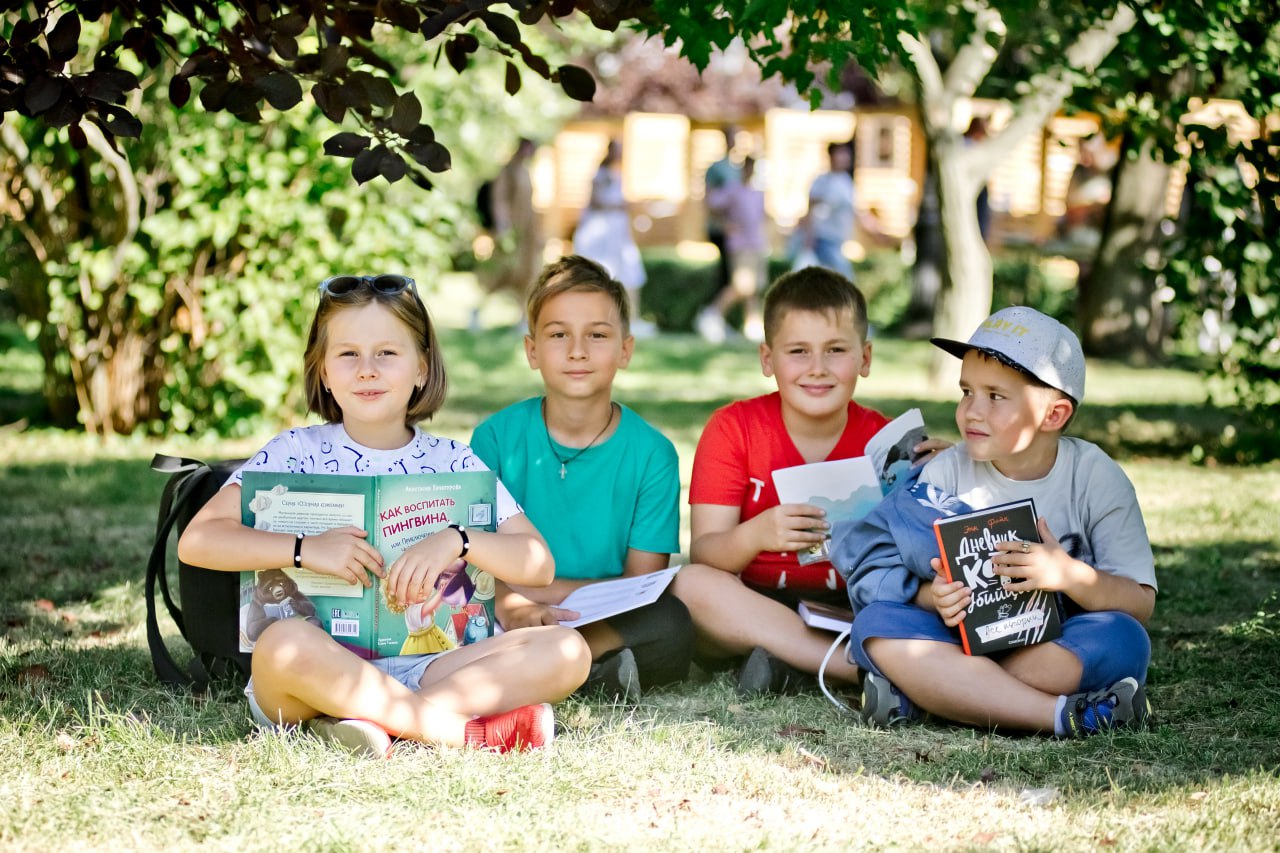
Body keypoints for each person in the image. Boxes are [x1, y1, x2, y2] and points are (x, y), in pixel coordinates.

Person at [179, 273, 591, 757]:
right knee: (281, 642)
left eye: (387, 354)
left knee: (567, 650)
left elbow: (537, 563)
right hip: (315, 667)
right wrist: (305, 549)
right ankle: (461, 734)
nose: (367, 370)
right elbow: (198, 541)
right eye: (348, 354)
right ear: (324, 372)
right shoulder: (293, 452)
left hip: (435, 667)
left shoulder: (454, 462)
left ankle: (356, 723)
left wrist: (458, 540)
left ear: (421, 367)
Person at [834, 306, 1156, 737]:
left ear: (1053, 415)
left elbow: (1140, 602)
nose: (971, 411)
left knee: (1124, 638)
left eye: (995, 396)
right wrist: (935, 598)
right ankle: (1063, 715)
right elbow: (888, 572)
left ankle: (937, 693)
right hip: (958, 637)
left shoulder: (1095, 477)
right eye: (967, 391)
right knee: (875, 627)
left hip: (1052, 642)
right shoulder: (945, 471)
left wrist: (1068, 575)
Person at [672, 266, 945, 697]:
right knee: (690, 586)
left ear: (865, 358)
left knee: (930, 596)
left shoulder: (887, 441)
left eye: (836, 349)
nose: (817, 368)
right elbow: (705, 552)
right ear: (768, 359)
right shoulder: (733, 428)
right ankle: (861, 669)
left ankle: (791, 665)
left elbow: (921, 555)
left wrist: (951, 473)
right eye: (798, 351)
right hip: (753, 603)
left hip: (859, 605)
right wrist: (758, 533)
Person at [471, 255, 692, 701]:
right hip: (502, 608)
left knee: (671, 622)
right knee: (458, 612)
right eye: (558, 335)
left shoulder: (653, 454)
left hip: (601, 614)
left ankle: (559, 667)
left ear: (625, 349)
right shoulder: (495, 439)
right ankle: (587, 673)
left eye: (597, 334)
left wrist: (545, 598)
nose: (578, 350)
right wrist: (513, 605)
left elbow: (640, 585)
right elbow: (470, 560)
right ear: (532, 351)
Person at [572, 139, 656, 338]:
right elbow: (596, 202)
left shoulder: (618, 176)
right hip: (601, 237)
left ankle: (630, 319)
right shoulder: (600, 176)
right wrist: (620, 206)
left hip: (617, 237)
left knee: (629, 273)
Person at [472, 137, 545, 330]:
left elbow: (530, 205)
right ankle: (477, 311)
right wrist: (503, 228)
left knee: (528, 273)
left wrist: (537, 232)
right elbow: (500, 201)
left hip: (526, 231)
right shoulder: (507, 171)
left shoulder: (525, 171)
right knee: (500, 273)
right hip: (511, 232)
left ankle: (523, 318)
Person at [696, 155, 770, 344]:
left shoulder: (758, 192)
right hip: (739, 244)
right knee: (742, 285)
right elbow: (711, 203)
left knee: (753, 289)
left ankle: (752, 326)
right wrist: (725, 224)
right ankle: (711, 313)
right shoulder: (733, 190)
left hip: (756, 243)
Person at [793, 142, 856, 279]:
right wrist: (809, 237)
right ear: (831, 156)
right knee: (845, 281)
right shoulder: (822, 181)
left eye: (846, 153)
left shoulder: (846, 182)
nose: (844, 157)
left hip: (838, 241)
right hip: (823, 239)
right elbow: (810, 210)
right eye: (840, 153)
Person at [703, 125, 741, 299]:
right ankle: (712, 313)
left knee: (734, 273)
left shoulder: (737, 168)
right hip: (722, 228)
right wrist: (723, 223)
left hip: (735, 228)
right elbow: (710, 199)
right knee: (725, 275)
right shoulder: (717, 168)